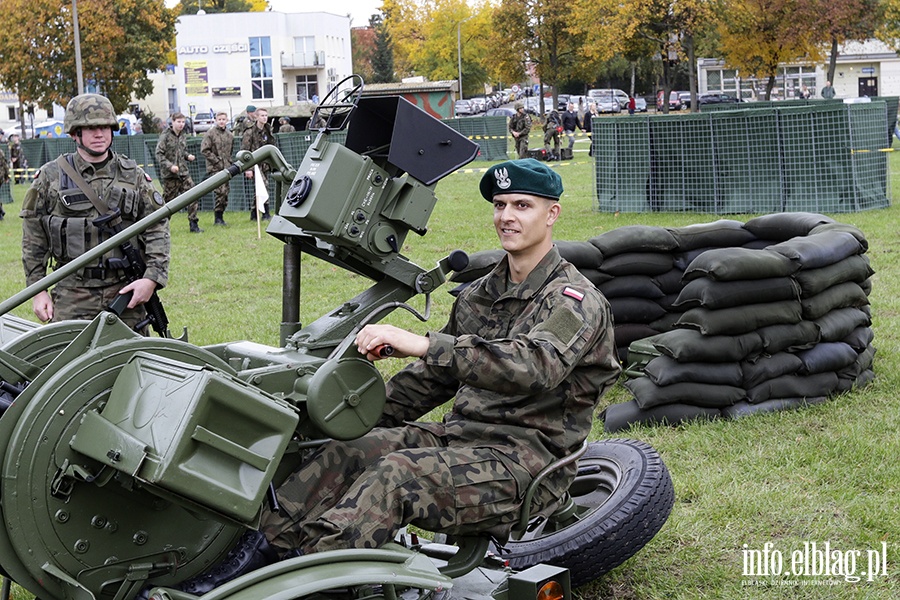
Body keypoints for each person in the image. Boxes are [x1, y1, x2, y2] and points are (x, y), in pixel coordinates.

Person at [173, 158, 620, 595]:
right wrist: (346, 414)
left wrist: (424, 342)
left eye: (522, 206)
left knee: (396, 475)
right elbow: (431, 381)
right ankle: (253, 562)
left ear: (552, 213)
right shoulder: (482, 294)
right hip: (460, 438)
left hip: (524, 462)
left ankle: (306, 583)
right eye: (500, 205)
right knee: (345, 452)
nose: (506, 217)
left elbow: (533, 366)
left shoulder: (573, 299)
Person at [20, 93, 169, 331]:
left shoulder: (134, 176)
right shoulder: (50, 178)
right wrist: (38, 291)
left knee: (133, 361)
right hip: (71, 293)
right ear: (74, 133)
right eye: (90, 128)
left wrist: (151, 279)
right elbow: (33, 239)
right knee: (69, 363)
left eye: (104, 127)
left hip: (125, 290)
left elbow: (157, 229)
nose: (99, 134)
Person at [156, 112, 200, 233]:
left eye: (183, 122)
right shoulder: (165, 136)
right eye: (178, 122)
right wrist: (170, 166)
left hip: (183, 173)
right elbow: (159, 154)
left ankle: (193, 223)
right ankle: (160, 226)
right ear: (173, 122)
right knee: (168, 203)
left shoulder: (183, 135)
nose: (181, 124)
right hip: (170, 175)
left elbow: (182, 151)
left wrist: (188, 156)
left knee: (193, 194)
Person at [200, 111, 234, 226]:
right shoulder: (210, 133)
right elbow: (205, 150)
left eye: (223, 119)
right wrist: (216, 161)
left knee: (225, 193)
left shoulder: (230, 135)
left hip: (226, 167)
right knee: (220, 191)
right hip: (215, 168)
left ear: (227, 120)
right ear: (216, 120)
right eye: (219, 119)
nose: (221, 121)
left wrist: (228, 163)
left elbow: (230, 151)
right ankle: (217, 217)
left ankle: (221, 215)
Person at [241, 106, 275, 220]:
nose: (265, 118)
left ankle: (254, 213)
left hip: (265, 164)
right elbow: (244, 151)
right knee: (264, 186)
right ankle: (265, 213)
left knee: (260, 188)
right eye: (262, 116)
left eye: (266, 116)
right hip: (254, 164)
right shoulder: (250, 132)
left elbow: (271, 146)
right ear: (256, 117)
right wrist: (248, 169)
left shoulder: (268, 130)